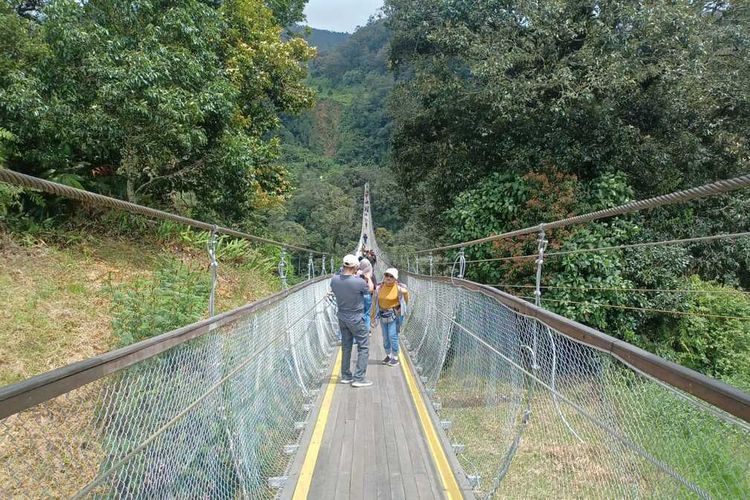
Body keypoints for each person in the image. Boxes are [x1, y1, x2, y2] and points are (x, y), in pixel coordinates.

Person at [330, 254, 374, 387]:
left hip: (342, 317)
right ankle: (359, 378)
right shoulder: (359, 282)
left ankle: (345, 375)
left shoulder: (334, 280)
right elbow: (370, 290)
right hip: (356, 319)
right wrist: (367, 278)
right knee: (363, 346)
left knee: (346, 346)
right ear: (355, 267)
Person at [371, 268, 409, 367]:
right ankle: (388, 355)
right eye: (387, 275)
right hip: (383, 314)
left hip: (394, 315)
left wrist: (404, 294)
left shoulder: (398, 288)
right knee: (385, 336)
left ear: (395, 278)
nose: (388, 278)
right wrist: (372, 316)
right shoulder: (379, 287)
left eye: (391, 276)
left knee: (393, 335)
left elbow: (406, 298)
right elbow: (374, 302)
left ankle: (395, 357)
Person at [357, 257, 375, 332]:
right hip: (368, 295)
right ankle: (367, 331)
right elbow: (374, 287)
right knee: (367, 314)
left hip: (358, 295)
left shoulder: (357, 273)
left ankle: (360, 331)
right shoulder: (371, 274)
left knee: (359, 314)